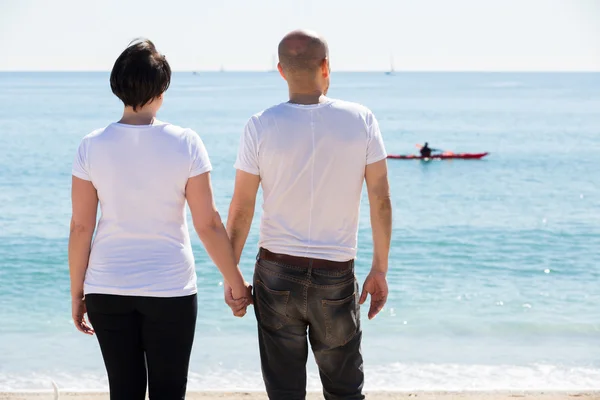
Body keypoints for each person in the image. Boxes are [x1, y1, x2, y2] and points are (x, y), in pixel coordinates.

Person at [68, 39, 251, 400]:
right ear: (161, 89)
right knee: (169, 391)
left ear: (117, 85)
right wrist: (236, 282)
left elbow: (81, 227)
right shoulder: (185, 142)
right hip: (170, 289)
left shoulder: (91, 145)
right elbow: (208, 223)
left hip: (107, 287)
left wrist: (78, 292)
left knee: (124, 390)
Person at [224, 30, 392, 400]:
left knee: (284, 393)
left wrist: (231, 274)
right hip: (335, 272)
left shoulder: (260, 124)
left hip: (275, 273)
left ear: (281, 70)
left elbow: (241, 208)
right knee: (345, 392)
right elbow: (380, 199)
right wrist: (379, 268)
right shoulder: (361, 119)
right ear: (326, 67)